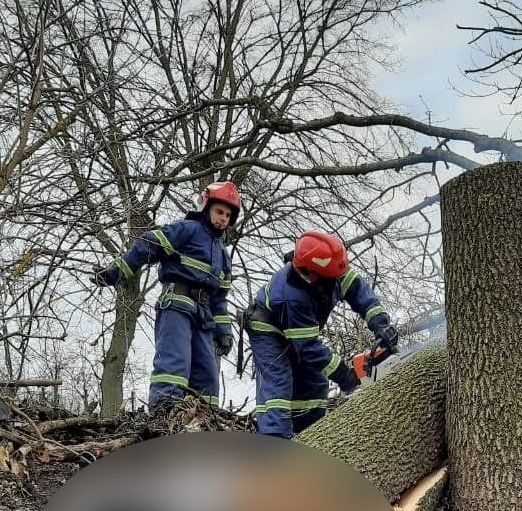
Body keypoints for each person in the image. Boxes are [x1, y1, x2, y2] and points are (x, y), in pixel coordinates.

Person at [93, 181, 241, 412]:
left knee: (208, 374)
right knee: (175, 363)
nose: (222, 218)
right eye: (219, 211)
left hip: (204, 317)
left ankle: (205, 421)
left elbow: (220, 299)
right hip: (177, 306)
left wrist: (224, 332)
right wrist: (116, 272)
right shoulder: (187, 230)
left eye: (227, 215)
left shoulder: (223, 256)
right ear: (207, 208)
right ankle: (163, 415)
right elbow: (148, 244)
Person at [244, 230, 398, 438]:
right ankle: (275, 442)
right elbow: (307, 348)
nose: (337, 281)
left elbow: (360, 292)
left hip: (298, 333)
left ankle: (312, 436)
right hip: (268, 330)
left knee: (316, 383)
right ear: (310, 275)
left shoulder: (334, 269)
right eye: (331, 279)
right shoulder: (293, 295)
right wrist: (344, 374)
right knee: (278, 385)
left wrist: (380, 323)